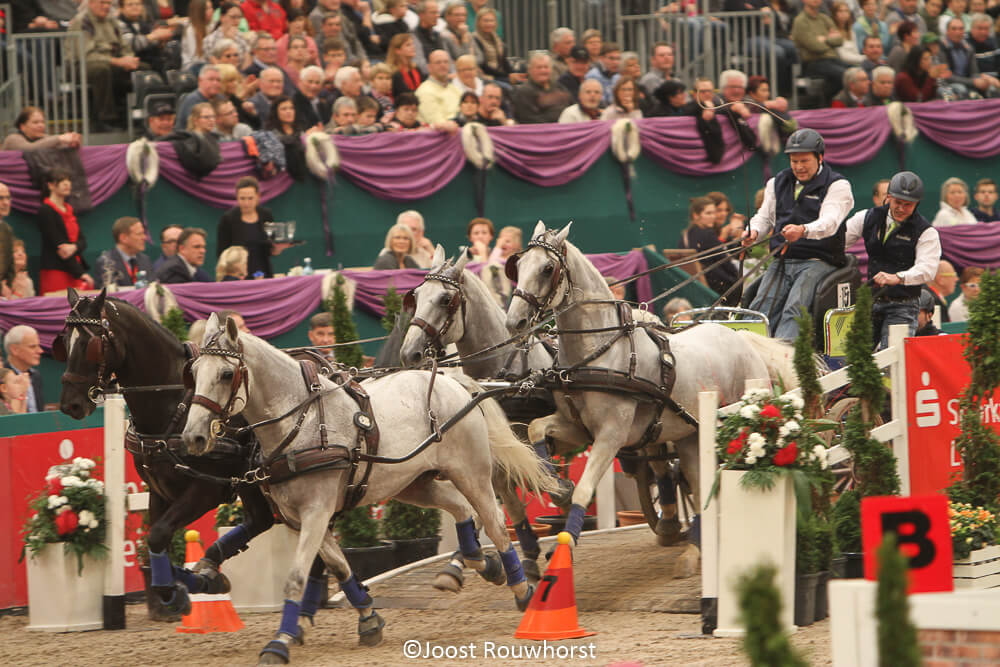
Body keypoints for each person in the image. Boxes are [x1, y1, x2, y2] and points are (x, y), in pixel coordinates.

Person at [741, 129, 854, 340]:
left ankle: (786, 356)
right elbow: (765, 217)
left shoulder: (838, 185)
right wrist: (753, 231)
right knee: (759, 308)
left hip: (818, 259)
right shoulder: (776, 182)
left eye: (804, 161)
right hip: (783, 258)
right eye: (794, 161)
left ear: (820, 158)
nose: (799, 167)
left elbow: (829, 222)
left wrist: (803, 231)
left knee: (795, 307)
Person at [842, 171, 941, 348]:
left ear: (917, 204)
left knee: (893, 362)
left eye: (908, 205)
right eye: (897, 202)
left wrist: (898, 277)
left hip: (903, 305)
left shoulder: (926, 231)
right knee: (856, 356)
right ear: (888, 197)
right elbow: (839, 241)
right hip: (871, 301)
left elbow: (928, 269)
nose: (901, 208)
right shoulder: (867, 217)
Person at [218, 176, 289, 278]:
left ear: (258, 196)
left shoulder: (266, 215)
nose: (246, 203)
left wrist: (277, 249)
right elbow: (222, 253)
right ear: (237, 197)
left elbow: (271, 247)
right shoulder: (228, 219)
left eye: (250, 198)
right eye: (242, 198)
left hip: (263, 271)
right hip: (238, 276)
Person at [38, 169, 94, 294]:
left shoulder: (69, 209)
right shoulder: (46, 211)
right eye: (62, 181)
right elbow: (60, 248)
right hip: (57, 271)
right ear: (51, 185)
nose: (67, 184)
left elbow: (82, 241)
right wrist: (80, 273)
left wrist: (74, 247)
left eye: (68, 180)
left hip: (74, 268)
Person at [680, 195, 740, 302]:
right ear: (695, 215)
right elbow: (726, 263)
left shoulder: (686, 235)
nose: (713, 216)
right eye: (708, 213)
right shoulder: (707, 235)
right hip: (716, 292)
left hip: (696, 290)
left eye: (714, 212)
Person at [791, 0, 849, 102]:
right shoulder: (800, 21)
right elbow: (814, 46)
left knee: (856, 72)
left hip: (833, 59)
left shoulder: (825, 18)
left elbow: (839, 40)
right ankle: (826, 103)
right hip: (813, 62)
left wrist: (824, 39)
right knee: (843, 75)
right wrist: (830, 41)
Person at [511, 52, 572, 124]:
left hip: (566, 128)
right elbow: (528, 120)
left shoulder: (560, 87)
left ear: (551, 70)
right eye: (539, 67)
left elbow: (572, 106)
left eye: (546, 67)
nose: (543, 70)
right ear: (530, 70)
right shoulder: (524, 92)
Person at [95, 216, 155, 287]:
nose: (145, 237)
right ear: (123, 238)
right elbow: (110, 295)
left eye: (144, 233)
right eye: (139, 234)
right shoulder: (106, 263)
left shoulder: (145, 260)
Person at [3, 106, 81, 151]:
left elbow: (62, 147)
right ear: (22, 126)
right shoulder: (12, 139)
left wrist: (72, 143)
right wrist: (59, 138)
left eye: (42, 122)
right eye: (35, 122)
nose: (41, 125)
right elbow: (30, 149)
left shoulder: (45, 138)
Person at [4, 325, 44, 412]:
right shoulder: (2, 377)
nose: (40, 351)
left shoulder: (36, 376)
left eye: (38, 346)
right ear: (15, 350)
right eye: (32, 346)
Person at [415, 49, 461, 125]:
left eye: (446, 62)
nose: (443, 65)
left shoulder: (454, 88)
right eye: (438, 62)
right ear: (429, 67)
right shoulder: (425, 91)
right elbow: (438, 122)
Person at [471, 8, 514, 86]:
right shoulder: (474, 39)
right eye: (486, 21)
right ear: (478, 22)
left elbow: (503, 61)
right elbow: (483, 64)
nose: (489, 24)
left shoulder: (497, 39)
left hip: (500, 75)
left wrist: (513, 74)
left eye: (491, 21)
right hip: (487, 76)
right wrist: (506, 76)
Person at [585, 41, 622, 106]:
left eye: (618, 59)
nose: (616, 62)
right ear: (601, 58)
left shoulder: (618, 77)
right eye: (611, 58)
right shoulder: (593, 75)